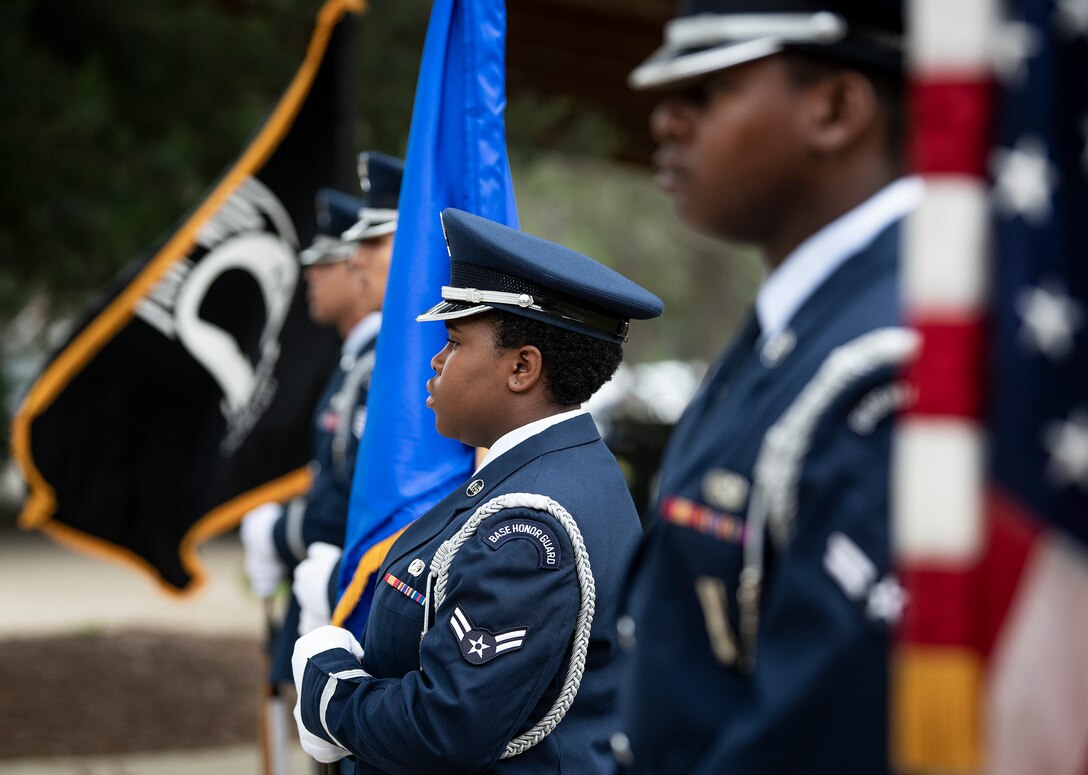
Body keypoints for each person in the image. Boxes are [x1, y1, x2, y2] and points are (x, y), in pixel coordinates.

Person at [613, 2, 920, 773]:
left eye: (707, 92)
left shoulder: (893, 356)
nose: (665, 122)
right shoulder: (804, 321)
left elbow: (821, 735)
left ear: (836, 108)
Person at [290, 208, 664, 774]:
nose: (437, 361)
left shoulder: (529, 524)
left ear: (522, 367)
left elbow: (445, 726)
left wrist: (330, 693)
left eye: (454, 340)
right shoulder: (558, 471)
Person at [240, 151, 403, 686]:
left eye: (371, 244)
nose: (353, 261)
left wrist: (284, 534)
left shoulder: (385, 365)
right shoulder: (360, 362)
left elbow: (367, 492)